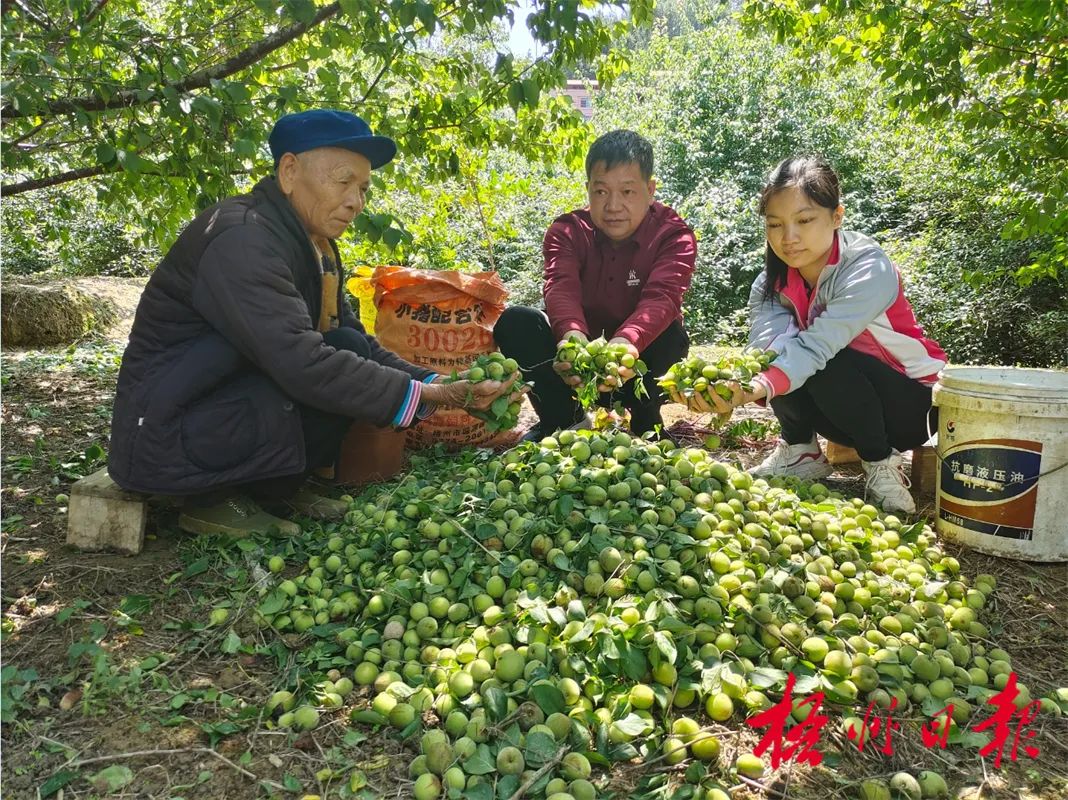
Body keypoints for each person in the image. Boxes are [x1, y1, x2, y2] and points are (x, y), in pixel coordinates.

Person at [109, 109, 519, 536]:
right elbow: (301, 361)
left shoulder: (313, 245)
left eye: (362, 189)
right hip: (171, 424)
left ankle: (271, 489)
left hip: (227, 397)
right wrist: (440, 395)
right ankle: (209, 500)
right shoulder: (243, 239)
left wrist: (436, 380)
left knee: (348, 345)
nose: (355, 202)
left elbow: (354, 342)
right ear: (289, 171)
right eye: (342, 181)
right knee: (318, 367)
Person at [669, 156, 945, 514]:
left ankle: (880, 463)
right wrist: (733, 384)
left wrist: (755, 388)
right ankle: (801, 450)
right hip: (845, 416)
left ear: (837, 217)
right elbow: (766, 349)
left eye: (804, 220)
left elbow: (818, 347)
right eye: (775, 224)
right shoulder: (770, 285)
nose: (789, 237)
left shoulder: (867, 267)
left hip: (912, 409)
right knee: (778, 354)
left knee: (824, 357)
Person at [493, 129, 696, 439]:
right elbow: (560, 287)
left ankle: (646, 420)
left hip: (637, 366)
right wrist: (571, 341)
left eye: (627, 191)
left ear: (650, 189)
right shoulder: (568, 231)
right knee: (517, 322)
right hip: (573, 370)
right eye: (601, 191)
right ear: (588, 189)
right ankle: (564, 418)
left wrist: (627, 343)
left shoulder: (673, 235)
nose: (613, 205)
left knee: (671, 333)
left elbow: (663, 299)